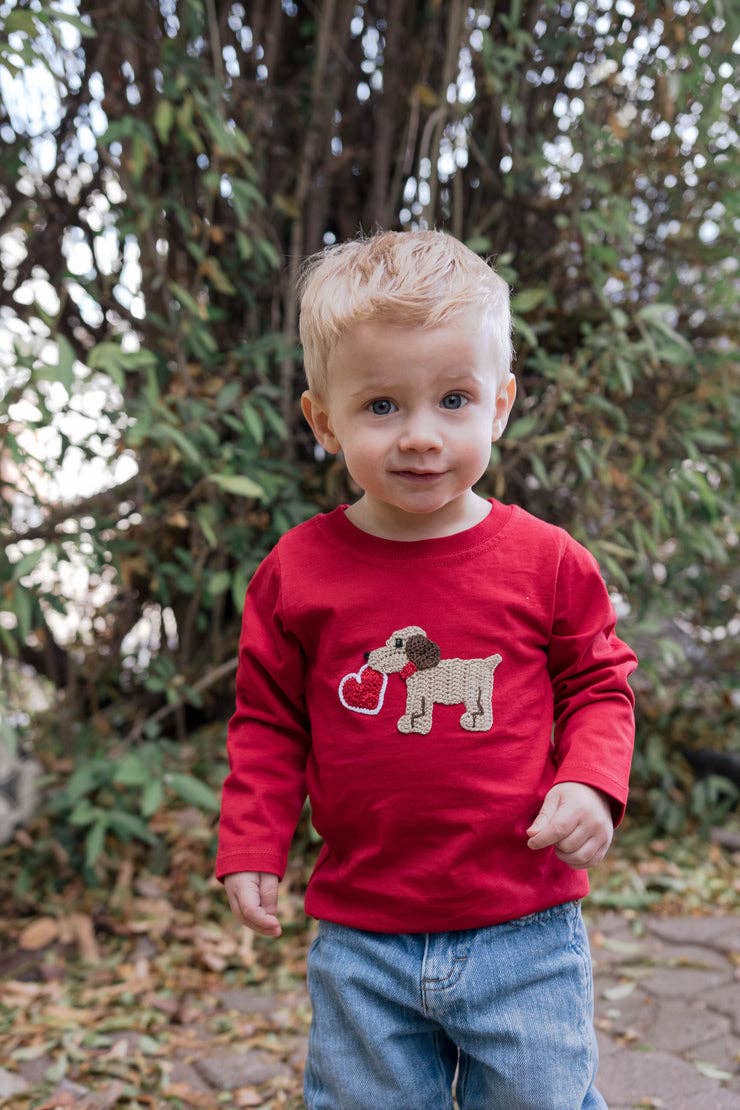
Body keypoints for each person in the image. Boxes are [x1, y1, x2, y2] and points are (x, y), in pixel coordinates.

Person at [216, 230, 637, 1109]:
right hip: (364, 931)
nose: (420, 437)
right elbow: (268, 720)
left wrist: (592, 780)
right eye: (381, 407)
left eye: (453, 400)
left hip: (523, 921)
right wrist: (254, 839)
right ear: (323, 420)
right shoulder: (298, 573)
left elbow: (598, 683)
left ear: (500, 405)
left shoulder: (547, 561)